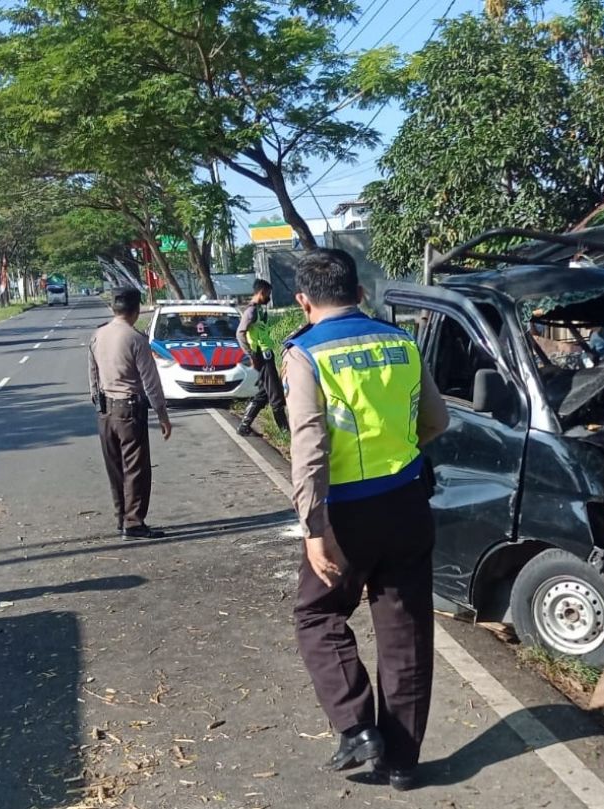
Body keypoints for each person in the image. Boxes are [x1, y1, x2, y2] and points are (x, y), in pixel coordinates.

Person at [283, 250, 449, 791]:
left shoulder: (305, 353)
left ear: (303, 301)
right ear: (360, 293)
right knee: (405, 633)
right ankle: (402, 763)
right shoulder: (400, 343)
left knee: (318, 615)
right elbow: (436, 420)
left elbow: (308, 449)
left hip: (346, 513)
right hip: (406, 502)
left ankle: (356, 726)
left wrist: (313, 529)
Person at [87, 287, 173, 540]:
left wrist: (98, 402)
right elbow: (151, 381)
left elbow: (92, 376)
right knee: (135, 468)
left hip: (105, 410)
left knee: (115, 468)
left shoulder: (98, 335)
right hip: (129, 409)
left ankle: (121, 518)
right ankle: (134, 522)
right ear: (136, 310)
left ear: (114, 308)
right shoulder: (136, 339)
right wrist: (162, 414)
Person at [236, 279, 288, 436]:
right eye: (268, 294)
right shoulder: (251, 311)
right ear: (261, 292)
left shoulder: (258, 311)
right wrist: (251, 355)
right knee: (276, 396)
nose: (269, 297)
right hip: (262, 357)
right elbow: (240, 333)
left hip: (267, 356)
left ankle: (244, 425)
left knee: (265, 392)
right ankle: (285, 432)